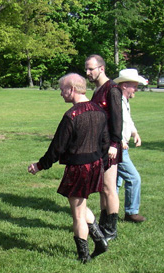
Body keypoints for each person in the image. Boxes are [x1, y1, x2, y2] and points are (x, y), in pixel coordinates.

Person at [27, 73, 109, 263]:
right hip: (96, 165)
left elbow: (57, 147)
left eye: (62, 89)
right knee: (81, 204)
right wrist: (100, 162)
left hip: (79, 168)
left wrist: (39, 166)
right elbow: (105, 142)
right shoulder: (99, 111)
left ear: (72, 89)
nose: (61, 93)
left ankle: (84, 256)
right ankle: (100, 240)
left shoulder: (71, 115)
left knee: (78, 214)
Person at [85, 54, 122, 241]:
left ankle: (111, 230)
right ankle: (102, 224)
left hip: (110, 147)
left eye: (91, 69)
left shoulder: (112, 89)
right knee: (102, 188)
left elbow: (117, 119)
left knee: (109, 188)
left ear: (101, 68)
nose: (88, 72)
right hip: (99, 145)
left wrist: (115, 143)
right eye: (86, 69)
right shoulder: (98, 89)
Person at [114, 68, 147, 223]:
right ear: (124, 85)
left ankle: (109, 214)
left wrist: (135, 133)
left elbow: (127, 121)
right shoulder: (117, 102)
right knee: (134, 178)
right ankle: (131, 212)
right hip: (119, 147)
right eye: (134, 86)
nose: (136, 89)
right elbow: (114, 123)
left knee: (115, 182)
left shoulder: (124, 101)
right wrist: (120, 139)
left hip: (121, 146)